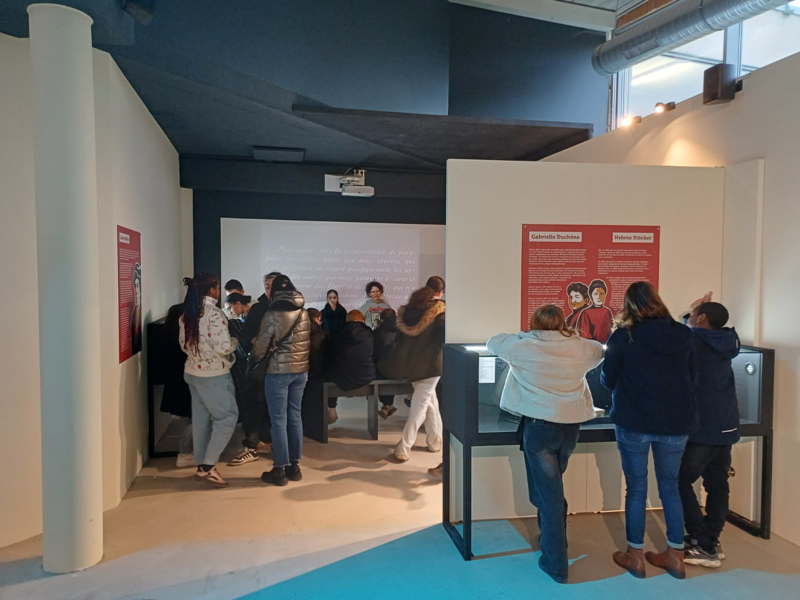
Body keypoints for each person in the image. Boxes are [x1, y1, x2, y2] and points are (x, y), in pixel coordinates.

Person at [487, 304, 603, 583]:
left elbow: (493, 342)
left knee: (549, 496)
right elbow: (598, 349)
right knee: (551, 489)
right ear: (562, 322)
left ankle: (555, 562)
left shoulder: (524, 346)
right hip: (570, 426)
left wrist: (525, 335)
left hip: (540, 427)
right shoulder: (578, 347)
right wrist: (571, 336)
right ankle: (554, 540)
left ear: (534, 324)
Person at [601, 281, 694, 579]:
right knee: (671, 486)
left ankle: (635, 556)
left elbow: (608, 379)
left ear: (629, 305)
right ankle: (676, 556)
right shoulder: (684, 334)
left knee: (637, 488)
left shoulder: (624, 336)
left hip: (634, 421)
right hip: (676, 422)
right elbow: (693, 374)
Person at [679, 295, 740, 568]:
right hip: (727, 424)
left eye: (695, 314)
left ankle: (702, 543)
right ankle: (712, 540)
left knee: (679, 481)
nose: (691, 317)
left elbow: (682, 333)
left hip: (703, 427)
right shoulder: (728, 341)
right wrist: (693, 312)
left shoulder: (694, 340)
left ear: (702, 318)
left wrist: (689, 314)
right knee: (717, 484)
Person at [179, 274, 239, 487]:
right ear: (211, 290)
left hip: (192, 372)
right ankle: (208, 465)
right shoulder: (215, 314)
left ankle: (202, 464)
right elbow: (224, 346)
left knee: (201, 420)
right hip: (213, 375)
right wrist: (234, 342)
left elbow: (183, 345)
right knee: (227, 417)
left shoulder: (186, 314)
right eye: (217, 287)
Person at [252, 274, 311, 486]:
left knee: (278, 420)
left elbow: (261, 348)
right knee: (295, 416)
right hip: (301, 372)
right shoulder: (303, 312)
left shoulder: (272, 314)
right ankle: (294, 467)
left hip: (278, 372)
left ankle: (279, 470)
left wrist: (257, 353)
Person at [378, 284, 445, 462]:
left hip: (411, 366)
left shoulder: (405, 314)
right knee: (420, 407)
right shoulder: (439, 315)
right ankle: (404, 447)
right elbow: (444, 338)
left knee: (430, 403)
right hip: (431, 366)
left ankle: (435, 441)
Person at [224, 293, 264, 467]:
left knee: (252, 404)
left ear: (238, 303)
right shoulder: (255, 311)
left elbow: (250, 341)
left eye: (231, 307)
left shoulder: (254, 312)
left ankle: (252, 446)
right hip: (262, 366)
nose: (232, 311)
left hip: (256, 366)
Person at [325, 310, 377, 424]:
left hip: (340, 378)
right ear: (362, 320)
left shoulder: (337, 333)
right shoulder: (369, 334)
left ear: (347, 320)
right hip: (365, 376)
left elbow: (329, 354)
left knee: (330, 372)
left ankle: (332, 409)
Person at [161, 302, 194, 468]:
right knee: (193, 417)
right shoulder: (183, 341)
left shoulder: (167, 336)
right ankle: (186, 453)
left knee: (189, 418)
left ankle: (187, 452)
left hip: (176, 383)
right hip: (186, 383)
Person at [373, 308, 399, 419]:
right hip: (400, 369)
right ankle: (388, 405)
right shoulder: (401, 331)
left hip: (381, 369)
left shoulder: (377, 332)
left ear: (381, 318)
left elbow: (374, 353)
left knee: (379, 370)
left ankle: (387, 405)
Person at [577, 279, 614, 343]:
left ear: (605, 295)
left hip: (606, 345)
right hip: (592, 346)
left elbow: (610, 330)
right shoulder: (586, 313)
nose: (599, 297)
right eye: (596, 294)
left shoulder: (607, 311)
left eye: (601, 294)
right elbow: (584, 334)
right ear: (591, 295)